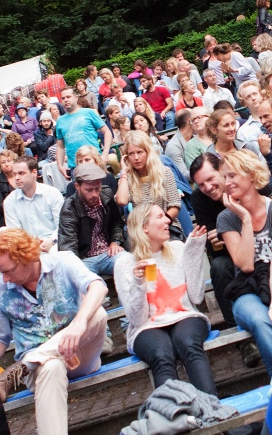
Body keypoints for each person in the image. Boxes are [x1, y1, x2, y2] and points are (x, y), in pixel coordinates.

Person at [0, 228, 107, 435]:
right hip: (39, 371)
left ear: (27, 257)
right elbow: (0, 336)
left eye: (8, 271)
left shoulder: (62, 262)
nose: (5, 279)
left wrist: (78, 324)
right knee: (51, 367)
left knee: (97, 314)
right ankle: (31, 363)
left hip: (81, 354)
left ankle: (17, 370)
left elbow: (98, 287)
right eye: (0, 273)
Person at [114, 203, 217, 395]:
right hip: (147, 326)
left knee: (188, 343)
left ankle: (213, 408)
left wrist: (193, 251)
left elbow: (196, 296)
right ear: (145, 227)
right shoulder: (125, 263)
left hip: (184, 315)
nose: (167, 220)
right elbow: (138, 319)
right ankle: (174, 417)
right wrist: (138, 281)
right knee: (161, 354)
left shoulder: (177, 248)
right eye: (160, 217)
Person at [190, 152, 261, 367]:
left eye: (211, 179)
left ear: (222, 171)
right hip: (229, 256)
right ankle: (241, 339)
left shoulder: (243, 184)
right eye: (201, 184)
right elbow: (214, 244)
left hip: (262, 248)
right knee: (219, 268)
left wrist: (224, 233)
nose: (208, 187)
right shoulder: (199, 199)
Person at [216, 150, 272, 376]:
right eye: (225, 177)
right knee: (260, 321)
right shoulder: (227, 218)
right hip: (246, 291)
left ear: (250, 175)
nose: (227, 183)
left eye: (232, 176)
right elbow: (246, 265)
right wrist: (246, 220)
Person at [58, 163, 125, 276]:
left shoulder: (106, 194)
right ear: (77, 186)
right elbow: (68, 247)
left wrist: (115, 241)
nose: (94, 194)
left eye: (97, 188)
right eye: (89, 190)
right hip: (84, 259)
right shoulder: (69, 208)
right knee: (87, 282)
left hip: (108, 252)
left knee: (129, 263)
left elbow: (116, 223)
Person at [116, 130, 181, 229]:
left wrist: (157, 224)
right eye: (131, 154)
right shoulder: (127, 179)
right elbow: (121, 201)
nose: (136, 157)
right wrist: (124, 172)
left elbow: (175, 207)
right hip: (142, 231)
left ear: (148, 152)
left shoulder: (165, 172)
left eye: (140, 152)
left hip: (167, 225)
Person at [4, 156, 64, 252]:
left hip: (54, 242)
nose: (17, 178)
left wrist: (52, 240)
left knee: (56, 252)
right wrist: (31, 244)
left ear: (34, 173)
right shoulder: (10, 201)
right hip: (27, 247)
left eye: (21, 173)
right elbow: (15, 233)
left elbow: (62, 225)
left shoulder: (52, 193)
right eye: (14, 174)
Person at [56, 87, 112, 180]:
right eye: (63, 98)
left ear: (76, 97)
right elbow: (60, 146)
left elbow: (107, 132)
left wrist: (105, 153)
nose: (66, 100)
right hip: (75, 166)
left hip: (94, 162)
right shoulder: (60, 121)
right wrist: (60, 166)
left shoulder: (89, 112)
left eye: (68, 97)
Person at [165, 109, 193, 182]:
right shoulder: (173, 147)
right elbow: (183, 176)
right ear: (190, 121)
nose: (197, 121)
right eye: (195, 118)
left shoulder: (197, 137)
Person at [0, 150, 17, 227]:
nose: (6, 164)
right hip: (8, 217)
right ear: (0, 166)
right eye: (3, 162)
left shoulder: (23, 176)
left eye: (9, 161)